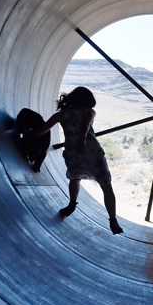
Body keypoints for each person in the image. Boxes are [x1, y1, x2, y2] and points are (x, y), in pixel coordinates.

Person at [34, 86, 123, 235]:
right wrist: (82, 142)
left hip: (72, 153)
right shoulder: (89, 112)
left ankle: (72, 204)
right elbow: (85, 127)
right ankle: (113, 220)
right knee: (106, 186)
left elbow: (41, 131)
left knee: (75, 178)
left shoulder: (61, 114)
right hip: (93, 154)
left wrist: (28, 132)